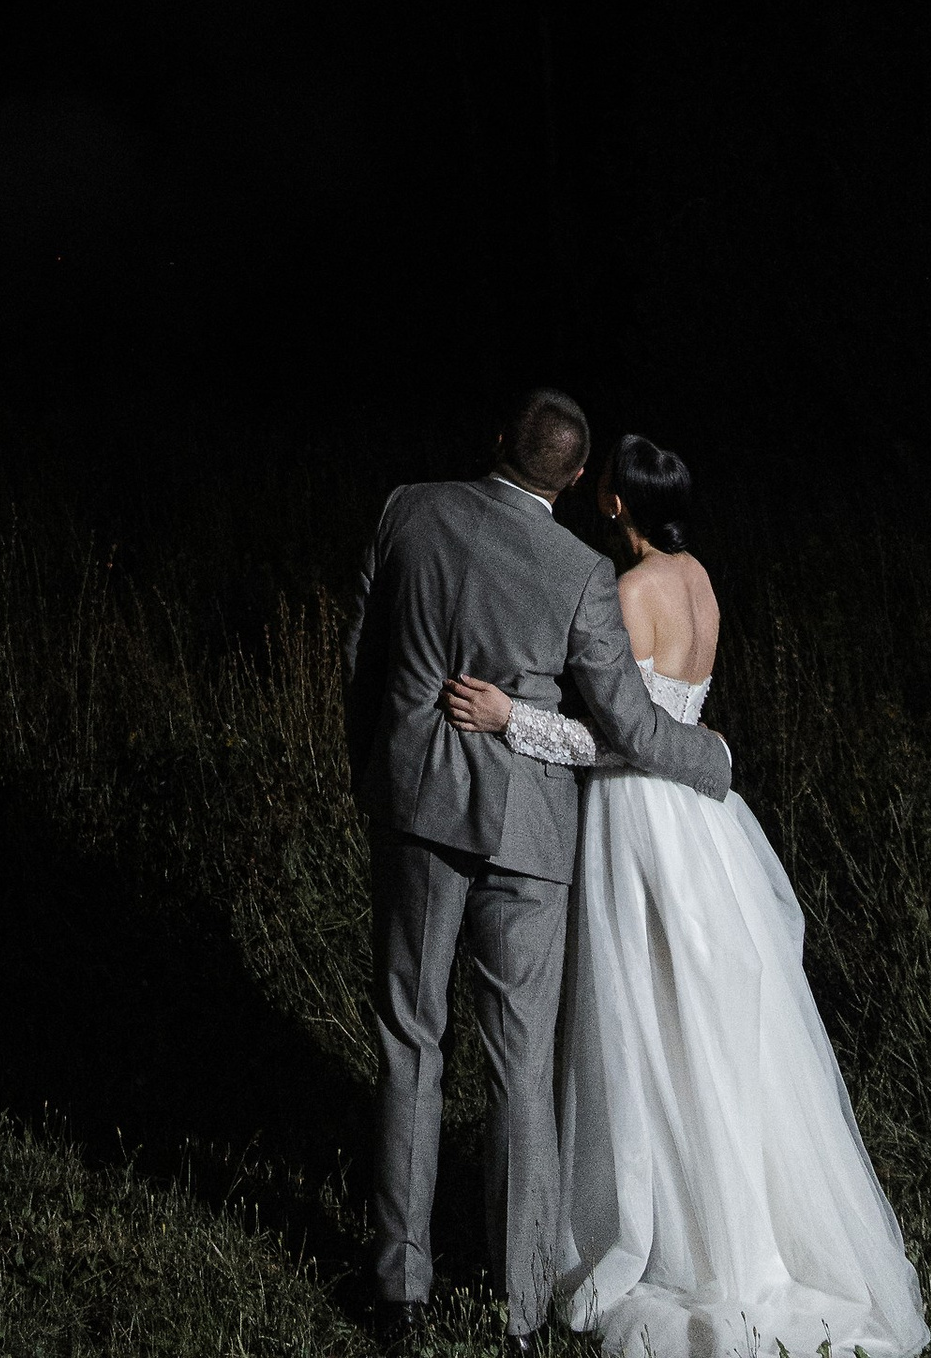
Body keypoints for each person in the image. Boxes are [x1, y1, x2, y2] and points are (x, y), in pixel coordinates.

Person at [443, 433, 930, 1358]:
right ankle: (717, 1217)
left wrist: (510, 721)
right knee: (698, 1024)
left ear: (615, 504)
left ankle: (662, 1232)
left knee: (637, 1020)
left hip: (638, 820)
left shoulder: (627, 595)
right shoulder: (701, 580)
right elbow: (682, 715)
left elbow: (615, 738)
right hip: (705, 825)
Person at [343, 389, 733, 1345]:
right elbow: (628, 725)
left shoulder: (407, 509)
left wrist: (376, 777)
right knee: (521, 1069)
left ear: (497, 445)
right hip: (528, 840)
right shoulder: (579, 573)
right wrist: (709, 758)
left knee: (409, 1039)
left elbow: (359, 658)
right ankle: (519, 1308)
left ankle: (401, 1289)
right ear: (570, 482)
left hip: (418, 815)